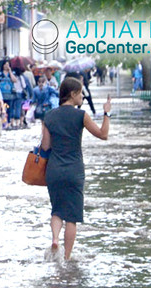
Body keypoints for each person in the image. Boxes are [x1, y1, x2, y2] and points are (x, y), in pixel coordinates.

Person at [40, 77, 112, 260]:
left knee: (56, 210)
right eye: (80, 93)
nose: (82, 96)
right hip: (74, 171)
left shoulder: (48, 116)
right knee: (71, 217)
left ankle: (55, 238)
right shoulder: (81, 115)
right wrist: (106, 114)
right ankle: (67, 257)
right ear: (72, 95)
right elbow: (103, 135)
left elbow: (46, 146)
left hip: (54, 170)